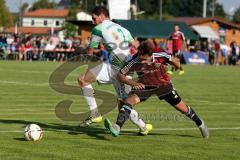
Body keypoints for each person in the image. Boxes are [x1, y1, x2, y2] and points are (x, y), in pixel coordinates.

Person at [104, 41, 209, 138]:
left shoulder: (160, 54)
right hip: (146, 86)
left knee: (183, 109)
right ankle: (117, 127)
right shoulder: (135, 59)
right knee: (128, 101)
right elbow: (120, 75)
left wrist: (175, 64)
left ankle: (200, 123)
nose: (142, 61)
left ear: (151, 55)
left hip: (164, 86)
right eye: (140, 58)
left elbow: (175, 61)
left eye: (144, 59)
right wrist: (134, 83)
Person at [77, 6, 151, 134]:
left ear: (101, 16)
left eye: (94, 18)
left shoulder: (98, 29)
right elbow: (136, 46)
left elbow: (90, 51)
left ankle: (143, 127)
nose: (92, 21)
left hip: (119, 69)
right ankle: (95, 114)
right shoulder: (122, 28)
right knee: (83, 80)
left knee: (123, 104)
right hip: (118, 66)